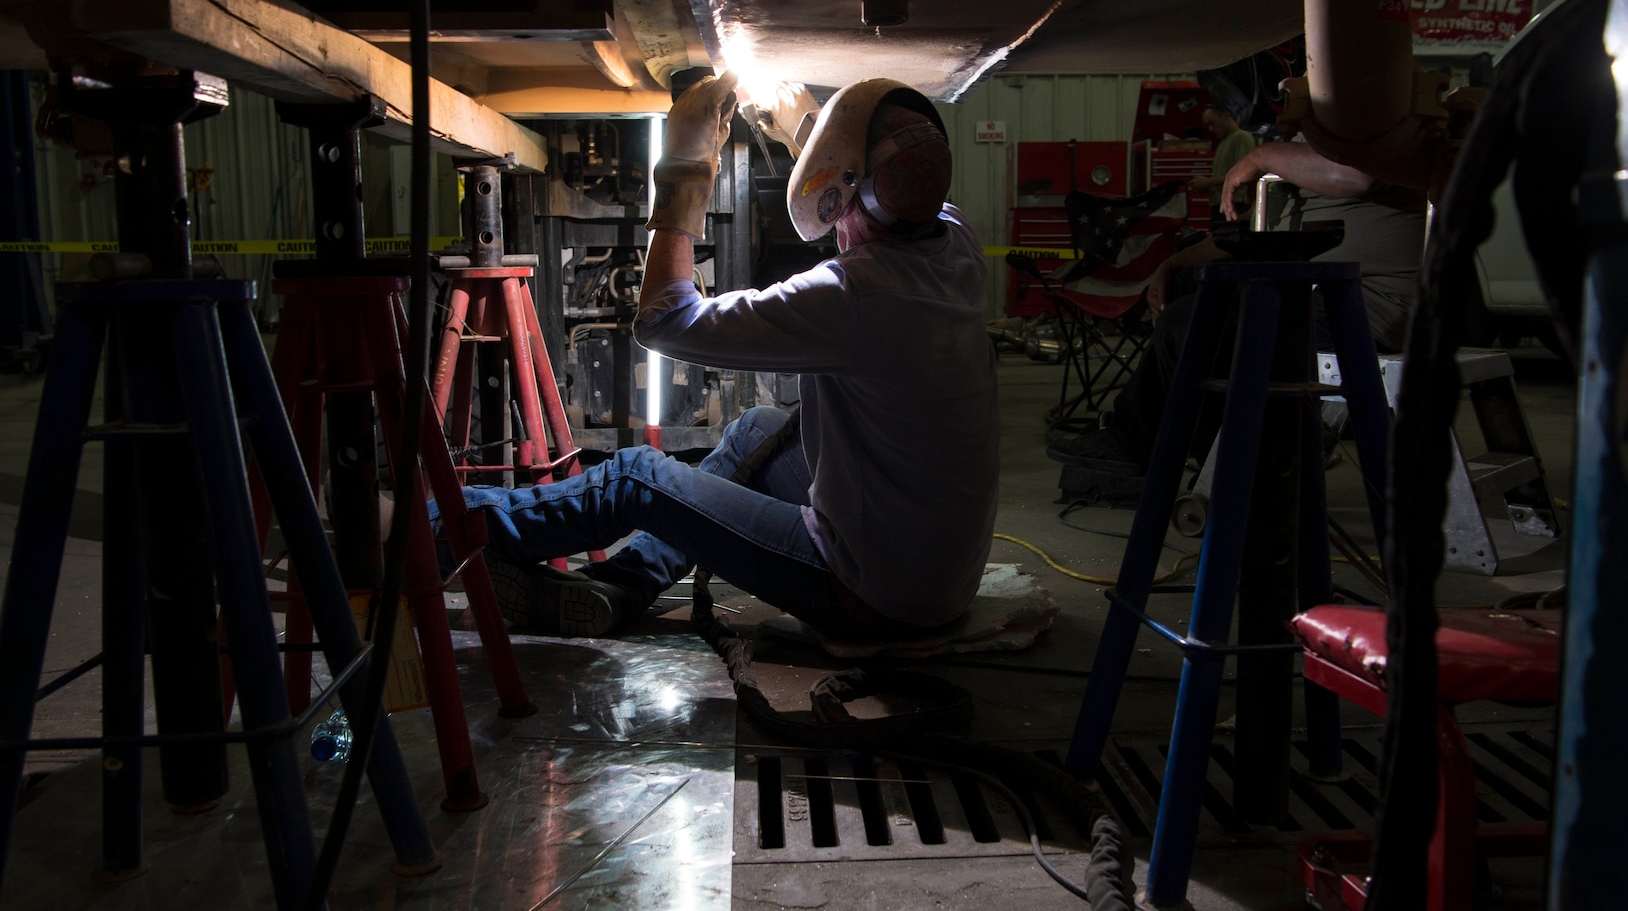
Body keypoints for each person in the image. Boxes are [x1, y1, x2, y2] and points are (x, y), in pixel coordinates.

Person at [448, 74, 1001, 639]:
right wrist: (806, 128)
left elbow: (663, 320)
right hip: (935, 578)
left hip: (865, 591)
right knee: (758, 428)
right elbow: (887, 181)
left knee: (635, 478)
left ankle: (441, 525)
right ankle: (622, 584)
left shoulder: (853, 294)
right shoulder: (954, 241)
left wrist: (685, 171)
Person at [1048, 140, 1427, 505]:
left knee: (1192, 324)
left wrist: (1262, 156)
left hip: (1364, 307)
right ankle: (1165, 449)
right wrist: (1173, 264)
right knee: (1187, 307)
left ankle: (1217, 464)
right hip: (1316, 294)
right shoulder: (1311, 144)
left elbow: (1360, 176)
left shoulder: (1374, 129)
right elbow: (1256, 227)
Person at [1186, 104, 1257, 223]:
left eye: (1212, 123)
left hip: (1234, 205)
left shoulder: (1242, 137)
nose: (1210, 129)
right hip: (1222, 204)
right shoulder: (1224, 141)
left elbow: (1245, 174)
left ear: (1225, 116)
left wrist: (1208, 182)